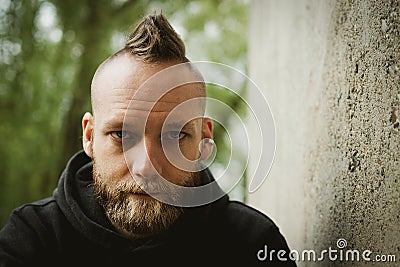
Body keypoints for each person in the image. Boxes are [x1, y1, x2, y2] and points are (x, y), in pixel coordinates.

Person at [0, 13, 296, 266]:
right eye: (122, 135)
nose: (146, 166)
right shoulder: (32, 240)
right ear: (89, 137)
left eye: (174, 135)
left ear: (205, 140)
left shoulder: (251, 245)